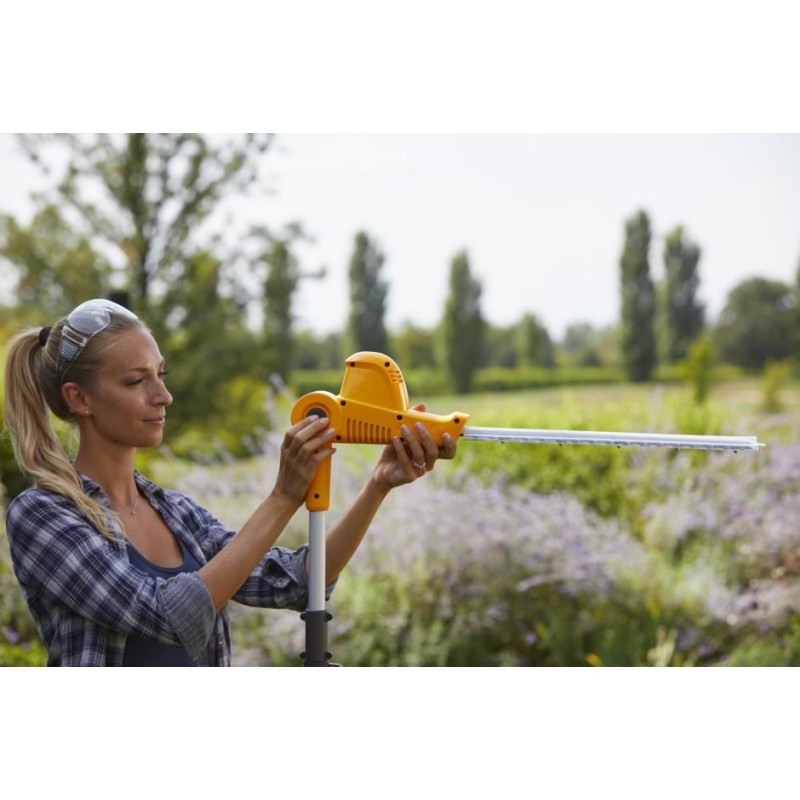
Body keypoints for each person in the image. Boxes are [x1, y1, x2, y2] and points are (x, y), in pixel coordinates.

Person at [2, 298, 457, 666]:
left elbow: (296, 583)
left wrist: (378, 484)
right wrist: (283, 497)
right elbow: (168, 617)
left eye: (161, 375)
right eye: (137, 381)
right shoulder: (43, 516)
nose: (164, 395)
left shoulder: (175, 514)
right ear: (79, 399)